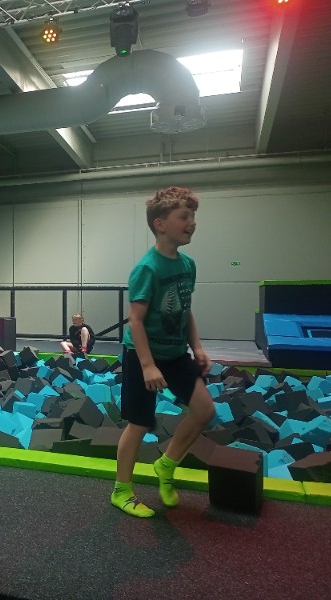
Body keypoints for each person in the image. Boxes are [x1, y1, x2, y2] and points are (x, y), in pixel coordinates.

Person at [111, 186, 215, 518]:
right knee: (139, 423)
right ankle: (121, 491)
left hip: (175, 354)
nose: (192, 222)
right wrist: (147, 365)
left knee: (204, 410)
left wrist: (197, 347)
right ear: (160, 224)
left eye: (193, 216)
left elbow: (184, 309)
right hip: (143, 354)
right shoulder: (148, 268)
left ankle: (166, 464)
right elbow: (136, 320)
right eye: (184, 216)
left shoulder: (188, 265)